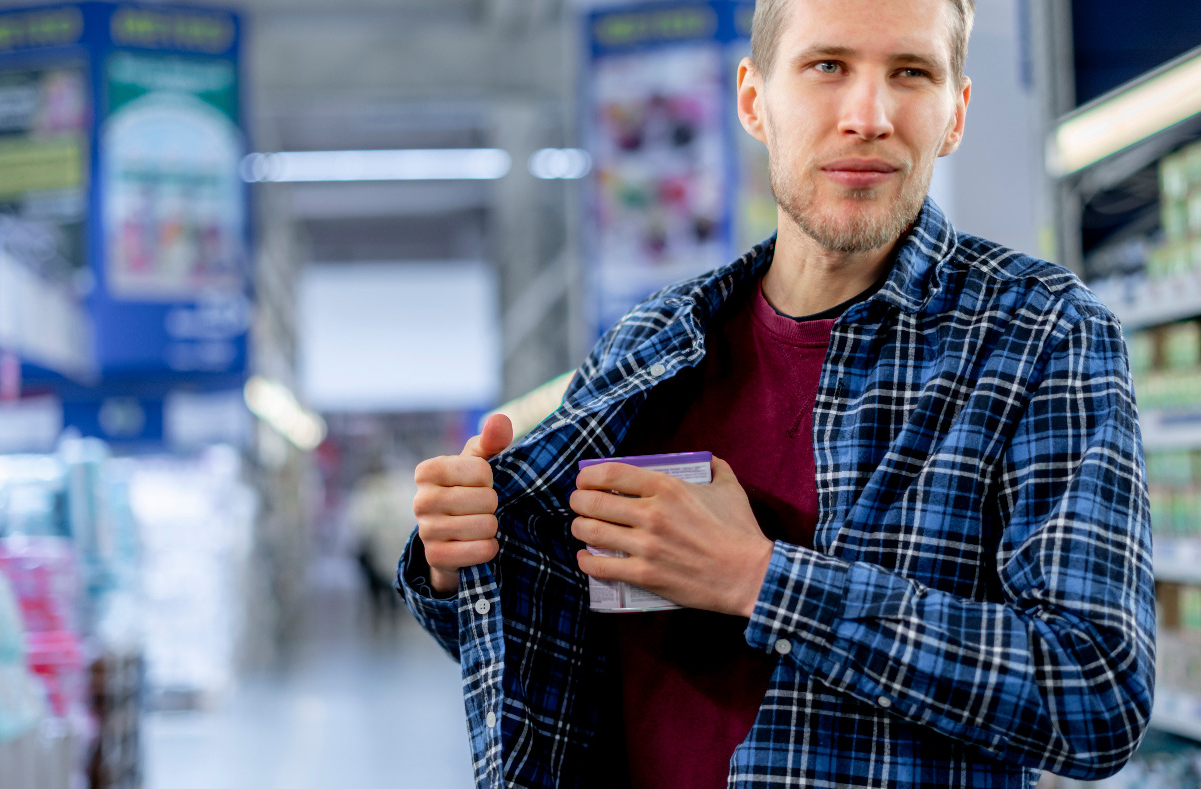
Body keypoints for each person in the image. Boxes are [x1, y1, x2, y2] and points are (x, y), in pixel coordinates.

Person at [398, 0, 1155, 786]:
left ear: (955, 114)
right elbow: (563, 651)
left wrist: (758, 578)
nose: (869, 116)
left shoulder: (1040, 333)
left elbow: (1096, 694)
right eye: (828, 66)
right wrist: (466, 559)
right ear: (753, 99)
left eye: (911, 73)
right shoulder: (650, 344)